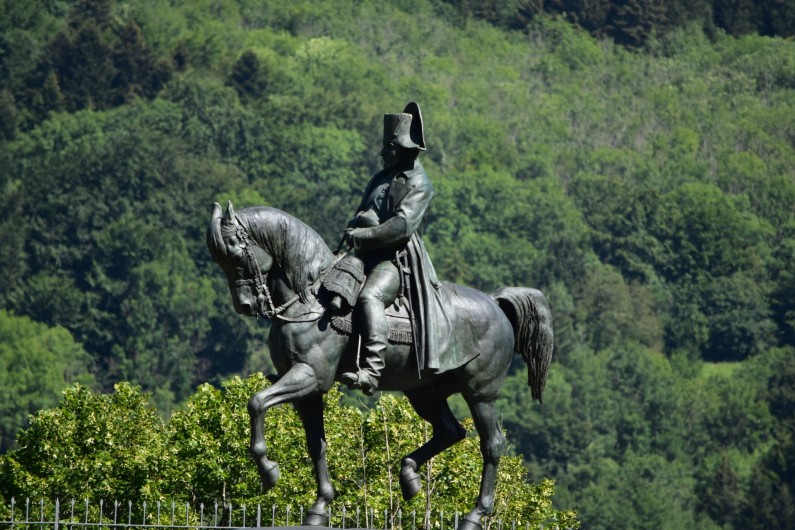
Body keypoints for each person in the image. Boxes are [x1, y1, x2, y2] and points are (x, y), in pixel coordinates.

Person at [341, 101, 451, 395]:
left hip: (395, 260)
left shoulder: (419, 184)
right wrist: (359, 222)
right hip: (362, 255)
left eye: (388, 148)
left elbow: (401, 227)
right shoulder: (380, 178)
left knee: (370, 296)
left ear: (402, 149)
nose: (382, 153)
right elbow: (364, 211)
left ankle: (371, 370)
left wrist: (363, 234)